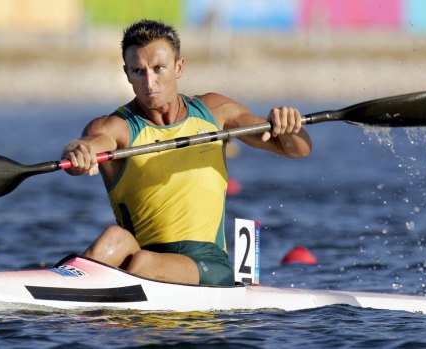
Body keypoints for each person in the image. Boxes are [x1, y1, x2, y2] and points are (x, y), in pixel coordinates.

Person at [62, 19, 312, 286]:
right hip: (142, 257)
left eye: (159, 69)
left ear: (179, 67)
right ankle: (64, 287)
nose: (149, 82)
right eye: (138, 71)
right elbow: (89, 144)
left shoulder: (216, 112)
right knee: (115, 238)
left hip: (207, 264)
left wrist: (288, 126)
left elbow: (299, 150)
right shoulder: (116, 126)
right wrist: (78, 152)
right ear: (127, 73)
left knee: (143, 262)